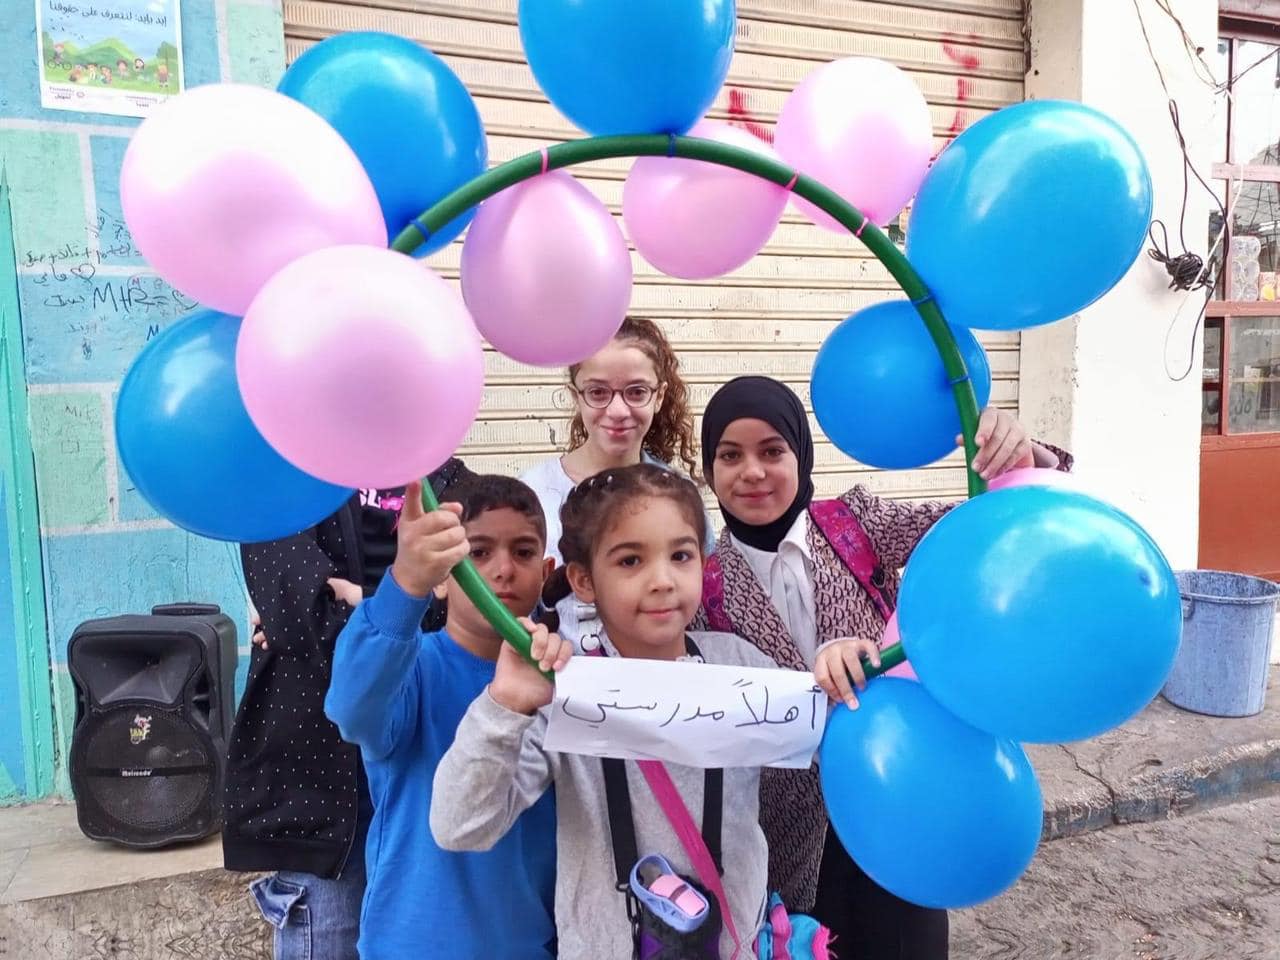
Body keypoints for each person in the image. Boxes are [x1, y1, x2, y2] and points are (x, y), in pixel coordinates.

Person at [695, 376, 1072, 960]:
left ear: (801, 455)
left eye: (772, 451)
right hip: (787, 841)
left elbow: (979, 533)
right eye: (729, 456)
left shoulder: (852, 522)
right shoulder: (703, 588)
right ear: (708, 469)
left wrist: (1023, 463)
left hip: (900, 790)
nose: (753, 472)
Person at [431, 464, 777, 960]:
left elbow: (828, 743)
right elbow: (459, 826)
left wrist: (836, 672)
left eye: (680, 555)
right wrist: (505, 704)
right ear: (583, 580)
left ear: (703, 563)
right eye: (631, 560)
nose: (662, 580)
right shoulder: (564, 690)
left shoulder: (740, 666)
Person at [224, 458, 472, 960]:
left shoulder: (450, 480)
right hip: (326, 795)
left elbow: (481, 610)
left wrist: (362, 599)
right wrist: (415, 596)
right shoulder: (284, 483)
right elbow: (308, 622)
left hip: (426, 783)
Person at [325, 474, 558, 960]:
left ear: (546, 571)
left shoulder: (562, 681)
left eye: (522, 552)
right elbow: (351, 708)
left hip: (531, 944)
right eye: (479, 553)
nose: (503, 570)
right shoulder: (412, 667)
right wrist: (404, 583)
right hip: (412, 944)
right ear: (442, 579)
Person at [519, 317, 712, 648]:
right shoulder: (532, 495)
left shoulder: (680, 496)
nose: (618, 410)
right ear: (576, 396)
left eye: (636, 392)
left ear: (659, 396)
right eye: (598, 392)